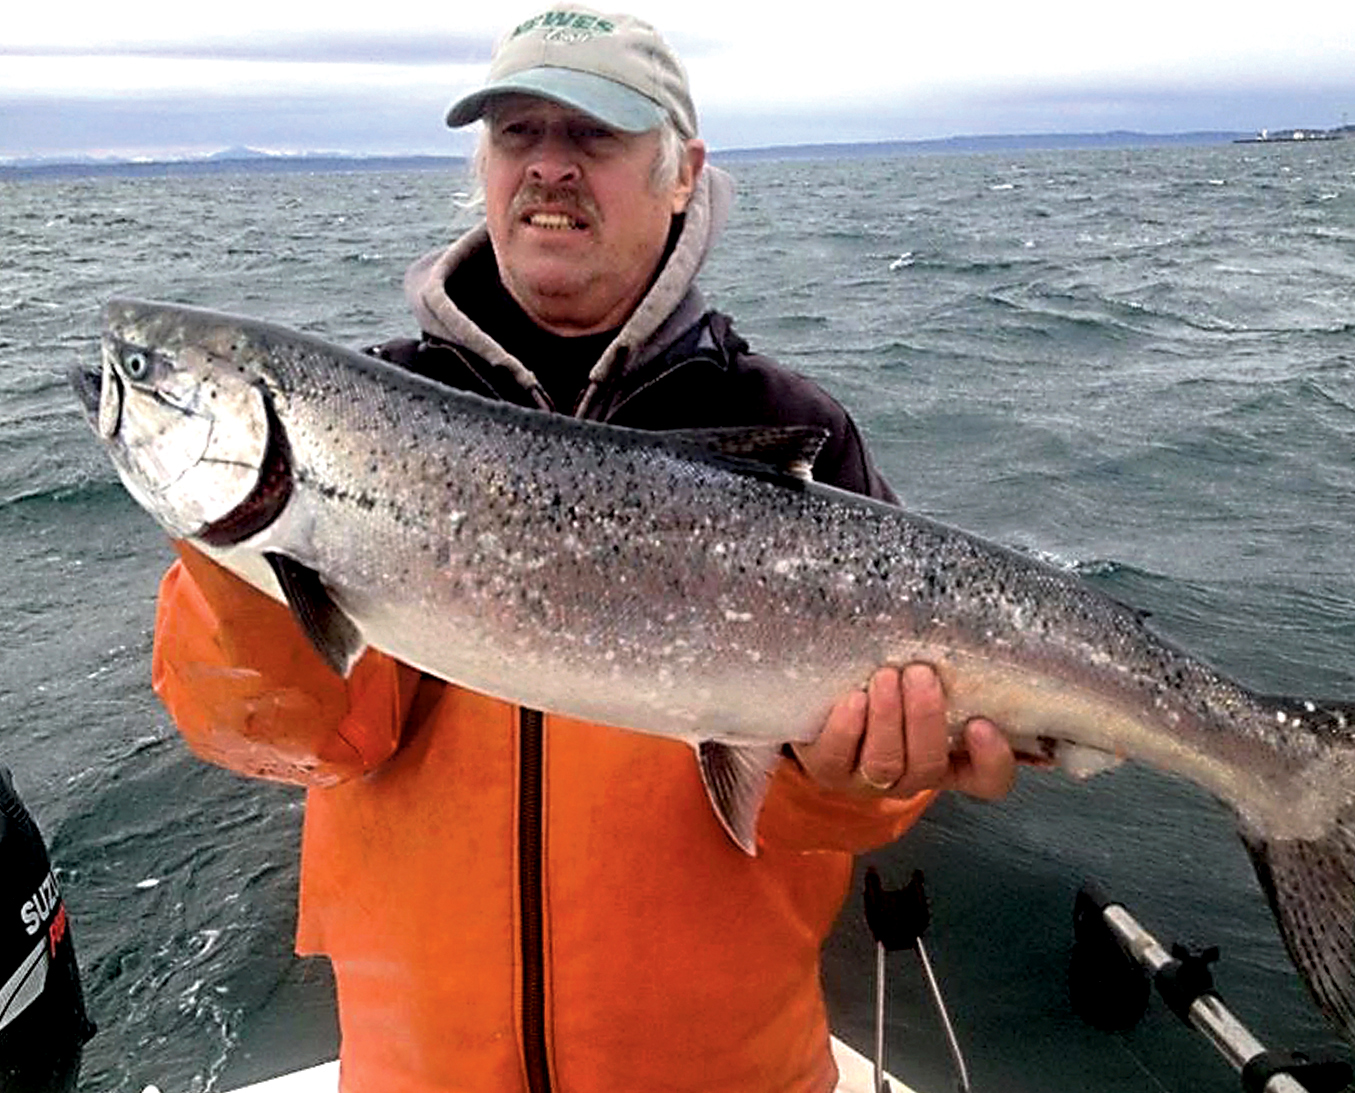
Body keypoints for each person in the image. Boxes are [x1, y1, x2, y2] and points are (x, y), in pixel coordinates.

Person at [151, 6, 1018, 1091]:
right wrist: (248, 535)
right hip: (419, 1071)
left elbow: (825, 810)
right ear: (482, 162)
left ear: (683, 172)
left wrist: (855, 780)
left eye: (595, 137)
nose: (549, 167)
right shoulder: (358, 425)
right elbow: (287, 732)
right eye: (517, 134)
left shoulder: (795, 429)